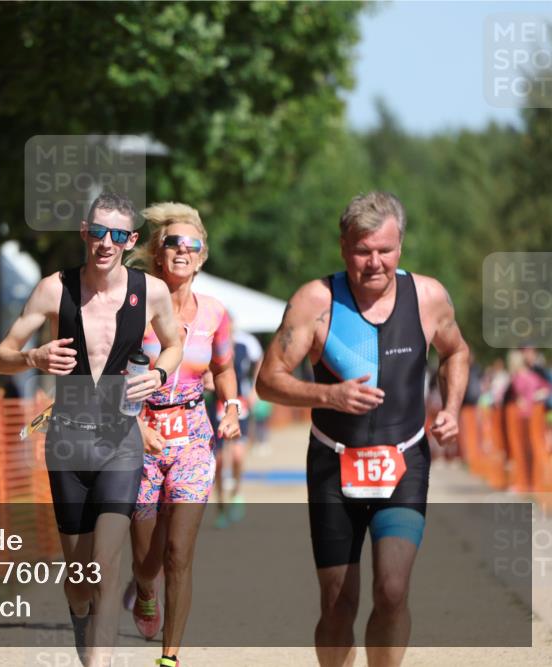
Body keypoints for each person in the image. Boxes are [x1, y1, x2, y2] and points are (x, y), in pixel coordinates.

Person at [256, 191, 469, 667]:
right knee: (338, 603)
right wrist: (327, 395)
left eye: (385, 250)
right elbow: (268, 380)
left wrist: (451, 407)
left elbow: (457, 351)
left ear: (401, 247)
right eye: (362, 250)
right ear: (343, 247)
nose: (374, 262)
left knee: (392, 590)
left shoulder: (428, 296)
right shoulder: (317, 300)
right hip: (334, 461)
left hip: (404, 460)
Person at [0, 192, 182, 667]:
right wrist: (32, 358)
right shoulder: (54, 290)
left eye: (118, 235)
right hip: (68, 441)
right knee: (79, 577)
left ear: (131, 240)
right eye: (98, 232)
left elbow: (174, 344)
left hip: (121, 441)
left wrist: (158, 375)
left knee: (104, 566)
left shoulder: (151, 291)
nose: (106, 242)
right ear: (84, 232)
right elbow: (1, 355)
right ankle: (79, 612)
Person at [117, 202, 239, 667]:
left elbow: (224, 369)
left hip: (193, 436)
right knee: (147, 561)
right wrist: (134, 423)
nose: (183, 250)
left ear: (203, 256)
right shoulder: (132, 307)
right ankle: (144, 589)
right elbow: (107, 374)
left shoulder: (215, 314)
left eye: (193, 244)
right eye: (173, 242)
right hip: (139, 435)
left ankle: (170, 658)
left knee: (177, 552)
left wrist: (230, 406)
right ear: (156, 251)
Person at [213, 323, 262, 527]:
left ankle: (236, 493)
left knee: (238, 455)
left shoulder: (245, 344)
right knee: (220, 461)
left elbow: (260, 359)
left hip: (239, 403)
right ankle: (221, 503)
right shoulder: (211, 344)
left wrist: (254, 389)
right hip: (215, 405)